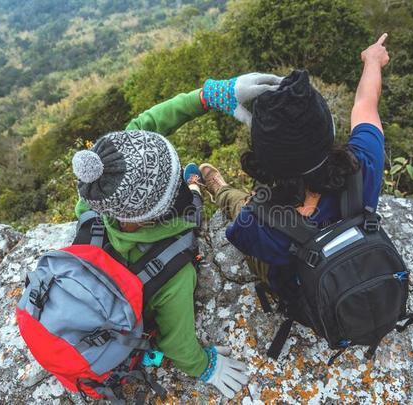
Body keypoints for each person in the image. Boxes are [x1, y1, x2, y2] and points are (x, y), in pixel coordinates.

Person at [70, 72, 281, 399]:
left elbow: (147, 123)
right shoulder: (172, 273)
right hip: (127, 324)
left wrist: (207, 96)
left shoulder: (95, 197)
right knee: (192, 202)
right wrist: (204, 366)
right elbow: (176, 344)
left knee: (184, 188)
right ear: (158, 212)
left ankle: (195, 182)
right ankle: (196, 184)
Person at [200, 33, 391, 288]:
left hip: (304, 288)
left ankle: (221, 190)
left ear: (262, 163)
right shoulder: (364, 162)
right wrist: (372, 61)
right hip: (357, 263)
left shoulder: (252, 225)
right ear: (329, 131)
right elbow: (366, 102)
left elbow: (240, 236)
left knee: (240, 205)